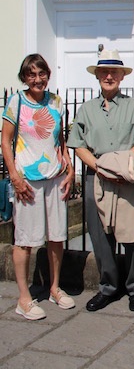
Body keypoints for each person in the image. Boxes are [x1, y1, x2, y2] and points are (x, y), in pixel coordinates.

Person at [67, 49, 134, 312]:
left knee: (132, 237)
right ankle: (107, 288)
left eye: (114, 72)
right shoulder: (86, 109)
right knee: (100, 235)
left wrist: (120, 165)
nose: (109, 76)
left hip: (127, 178)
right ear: (97, 75)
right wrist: (102, 167)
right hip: (97, 177)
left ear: (122, 76)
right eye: (104, 72)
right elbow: (78, 144)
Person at [1, 54, 75, 320]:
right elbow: (6, 142)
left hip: (55, 177)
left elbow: (60, 140)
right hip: (27, 182)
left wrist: (71, 169)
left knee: (56, 237)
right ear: (24, 78)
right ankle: (24, 298)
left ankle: (55, 287)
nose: (37, 79)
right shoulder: (16, 101)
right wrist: (15, 177)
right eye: (31, 75)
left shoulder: (56, 101)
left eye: (41, 73)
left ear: (48, 75)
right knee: (25, 240)